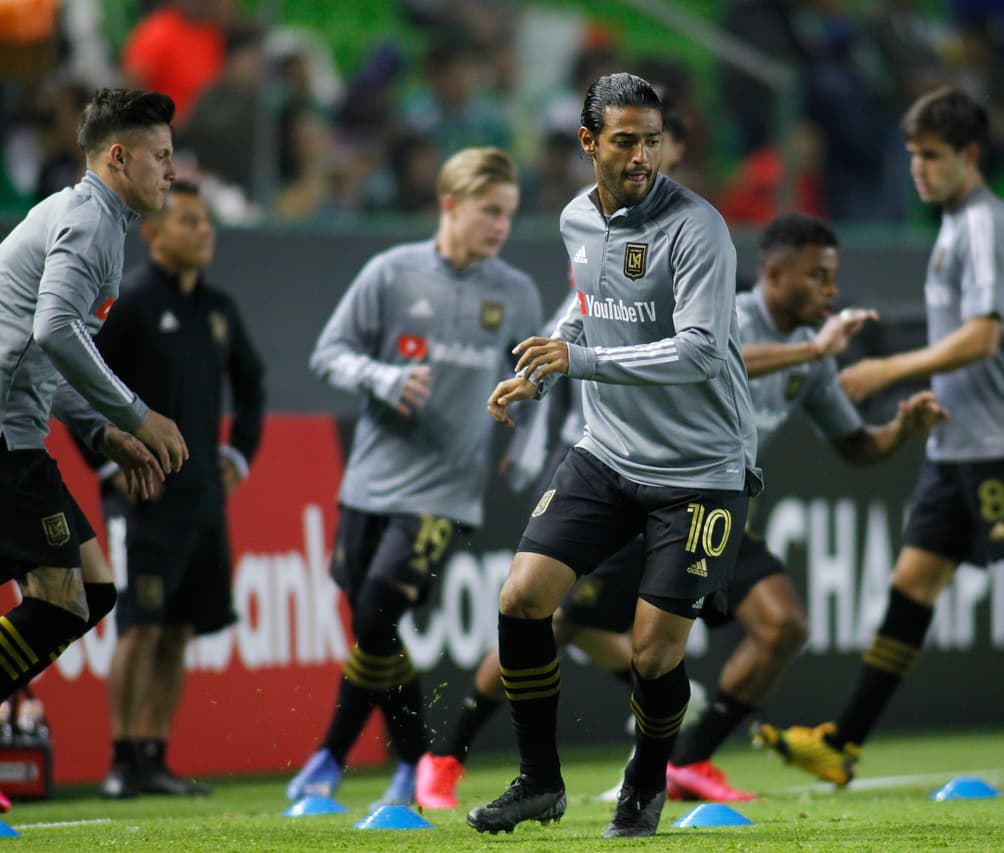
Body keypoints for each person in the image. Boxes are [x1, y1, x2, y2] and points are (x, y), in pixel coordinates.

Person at [417, 212, 947, 808]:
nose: (830, 290)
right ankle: (447, 754)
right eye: (816, 276)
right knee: (555, 620)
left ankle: (688, 762)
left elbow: (855, 446)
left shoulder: (813, 357)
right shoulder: (727, 310)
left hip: (713, 498)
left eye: (833, 277)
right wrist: (811, 351)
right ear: (774, 274)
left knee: (783, 626)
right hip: (645, 491)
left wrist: (901, 430)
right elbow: (712, 355)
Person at [753, 86, 1004, 790]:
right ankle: (842, 743)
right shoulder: (958, 227)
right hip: (958, 443)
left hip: (993, 442)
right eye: (912, 154)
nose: (918, 168)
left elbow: (984, 337)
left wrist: (887, 368)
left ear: (970, 156)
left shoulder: (982, 227)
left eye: (932, 156)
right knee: (912, 584)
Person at [466, 72, 759, 840]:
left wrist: (579, 361)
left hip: (701, 469)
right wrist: (540, 367)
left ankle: (646, 781)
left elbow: (700, 350)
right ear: (588, 142)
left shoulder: (698, 229)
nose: (641, 157)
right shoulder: (576, 218)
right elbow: (588, 303)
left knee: (654, 656)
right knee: (522, 596)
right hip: (608, 451)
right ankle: (539, 781)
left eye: (652, 141)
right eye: (625, 141)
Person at [285, 147, 542, 809]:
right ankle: (407, 761)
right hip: (370, 479)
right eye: (489, 211)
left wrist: (527, 438)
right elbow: (328, 353)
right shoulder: (391, 273)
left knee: (377, 609)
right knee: (373, 626)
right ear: (450, 204)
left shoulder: (515, 293)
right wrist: (383, 377)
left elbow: (537, 379)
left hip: (445, 489)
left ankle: (336, 756)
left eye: (508, 214)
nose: (501, 226)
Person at [0, 87, 188, 705]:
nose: (172, 171)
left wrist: (104, 432)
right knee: (63, 600)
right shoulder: (90, 223)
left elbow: (46, 351)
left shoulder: (91, 217)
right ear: (118, 157)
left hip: (17, 432)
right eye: (161, 156)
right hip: (6, 436)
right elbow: (55, 329)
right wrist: (137, 415)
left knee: (92, 591)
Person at [88, 180, 266, 799]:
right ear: (154, 233)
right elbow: (81, 383)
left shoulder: (218, 309)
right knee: (139, 627)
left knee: (178, 630)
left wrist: (237, 455)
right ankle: (120, 760)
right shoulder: (131, 304)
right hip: (144, 498)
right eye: (189, 221)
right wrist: (109, 464)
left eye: (206, 221)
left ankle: (153, 755)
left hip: (202, 497)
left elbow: (252, 385)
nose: (204, 231)